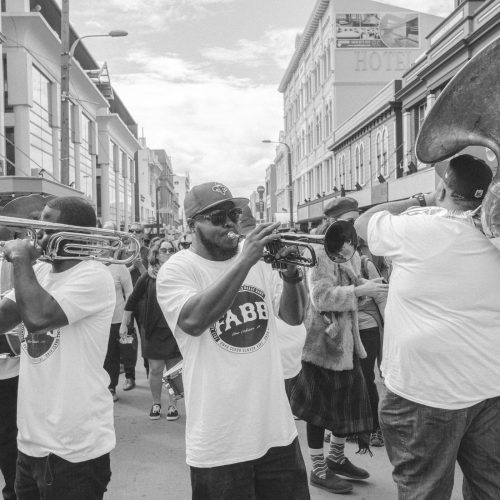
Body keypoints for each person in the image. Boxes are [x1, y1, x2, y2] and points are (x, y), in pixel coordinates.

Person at [355, 154, 500, 500]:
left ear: (443, 188)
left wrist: (422, 199)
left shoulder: (418, 228)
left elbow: (364, 222)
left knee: (425, 492)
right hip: (489, 390)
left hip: (423, 393)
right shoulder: (494, 238)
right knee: (490, 489)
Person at [156, 182, 310, 499]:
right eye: (217, 216)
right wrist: (245, 261)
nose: (229, 223)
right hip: (219, 441)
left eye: (232, 213)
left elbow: (292, 318)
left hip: (276, 431)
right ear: (192, 224)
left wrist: (291, 275)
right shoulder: (178, 269)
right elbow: (194, 321)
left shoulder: (257, 261)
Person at [0, 196, 116, 499]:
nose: (35, 228)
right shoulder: (38, 272)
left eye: (46, 220)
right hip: (30, 443)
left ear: (73, 231)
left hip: (75, 448)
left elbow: (38, 318)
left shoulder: (94, 275)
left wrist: (22, 259)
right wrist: (21, 263)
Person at [289, 197, 388, 495]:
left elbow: (354, 282)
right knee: (320, 410)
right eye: (349, 218)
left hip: (347, 343)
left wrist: (369, 284)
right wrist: (360, 290)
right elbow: (320, 297)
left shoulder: (351, 249)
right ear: (332, 219)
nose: (354, 223)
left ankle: (336, 458)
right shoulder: (318, 250)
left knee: (346, 404)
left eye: (356, 218)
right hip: (322, 344)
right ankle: (319, 468)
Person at [121, 239, 182, 421]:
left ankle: (173, 404)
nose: (168, 252)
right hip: (153, 329)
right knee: (156, 369)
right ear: (156, 253)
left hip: (174, 328)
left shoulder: (180, 274)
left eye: (171, 250)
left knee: (174, 370)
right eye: (164, 249)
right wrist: (124, 324)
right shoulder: (147, 276)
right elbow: (131, 301)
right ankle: (156, 403)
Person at [103, 258, 133, 402]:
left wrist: (126, 321)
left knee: (117, 354)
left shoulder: (119, 267)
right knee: (104, 355)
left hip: (117, 319)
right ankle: (105, 387)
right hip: (97, 321)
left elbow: (129, 293)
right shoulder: (89, 265)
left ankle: (115, 384)